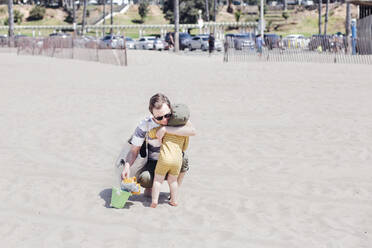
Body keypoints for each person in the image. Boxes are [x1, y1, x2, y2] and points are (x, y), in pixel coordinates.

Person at [121, 93, 196, 197]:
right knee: (145, 179)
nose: (164, 120)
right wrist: (127, 166)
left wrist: (165, 129)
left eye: (167, 115)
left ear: (171, 109)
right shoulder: (144, 125)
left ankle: (174, 193)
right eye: (159, 118)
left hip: (175, 159)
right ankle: (149, 188)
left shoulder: (177, 118)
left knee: (184, 160)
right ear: (152, 115)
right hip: (154, 162)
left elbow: (192, 131)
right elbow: (134, 151)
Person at [148, 104, 190, 208]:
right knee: (173, 181)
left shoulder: (163, 128)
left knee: (158, 180)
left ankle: (154, 201)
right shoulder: (184, 133)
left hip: (164, 159)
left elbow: (151, 134)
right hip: (177, 161)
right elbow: (184, 148)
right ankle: (174, 200)